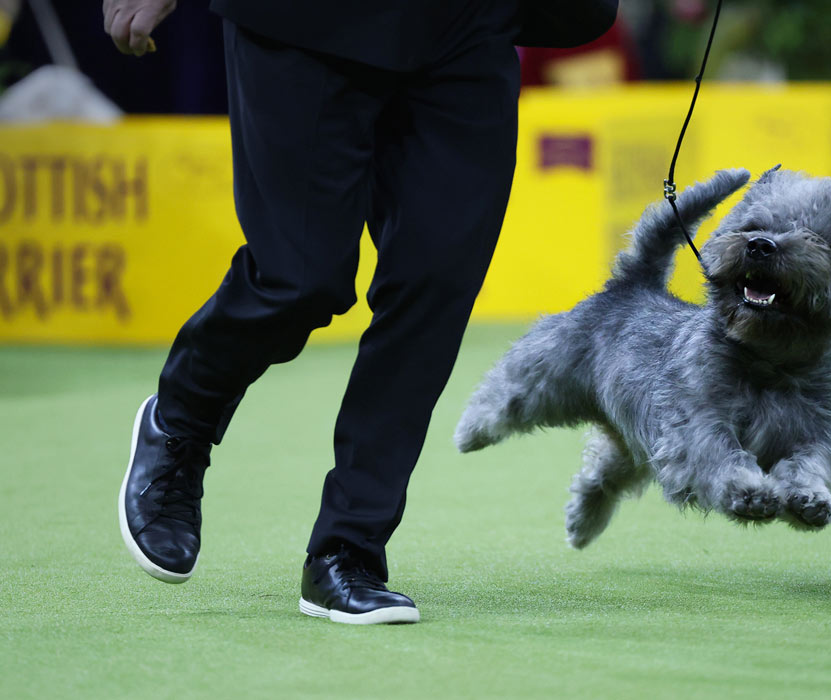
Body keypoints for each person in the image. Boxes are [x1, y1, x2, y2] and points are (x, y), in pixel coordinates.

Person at [107, 0, 617, 625]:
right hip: (306, 21)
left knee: (434, 286)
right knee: (300, 280)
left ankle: (349, 549)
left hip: (467, 25)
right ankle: (182, 417)